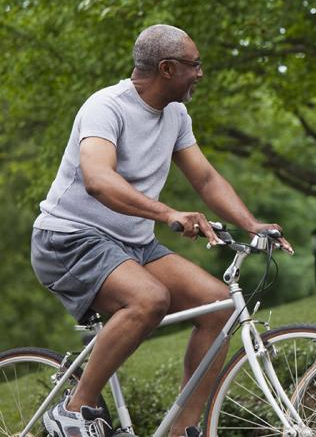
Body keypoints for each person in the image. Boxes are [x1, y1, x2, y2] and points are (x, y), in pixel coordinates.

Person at [31, 24, 292, 437]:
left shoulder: (176, 114)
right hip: (69, 239)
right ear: (167, 68)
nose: (201, 73)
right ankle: (73, 409)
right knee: (149, 298)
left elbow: (205, 179)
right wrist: (168, 212)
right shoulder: (106, 107)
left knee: (220, 306)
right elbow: (98, 178)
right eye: (195, 64)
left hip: (131, 244)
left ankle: (183, 430)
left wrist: (252, 224)